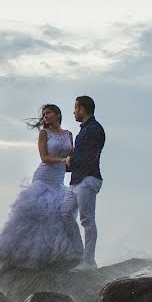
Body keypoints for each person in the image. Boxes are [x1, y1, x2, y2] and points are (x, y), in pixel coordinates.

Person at [0, 104, 84, 283]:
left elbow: (72, 158)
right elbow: (44, 158)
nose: (45, 116)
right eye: (43, 114)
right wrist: (62, 160)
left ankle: (55, 257)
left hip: (59, 181)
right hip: (43, 178)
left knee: (60, 216)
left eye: (48, 113)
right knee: (37, 215)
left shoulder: (68, 135)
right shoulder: (44, 134)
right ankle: (18, 258)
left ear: (58, 115)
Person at [62, 95, 105, 270]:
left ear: (82, 109)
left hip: (88, 179)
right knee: (65, 212)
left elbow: (87, 156)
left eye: (75, 108)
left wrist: (70, 161)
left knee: (87, 220)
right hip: (78, 180)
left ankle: (89, 261)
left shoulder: (94, 129)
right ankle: (79, 253)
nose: (73, 111)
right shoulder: (85, 129)